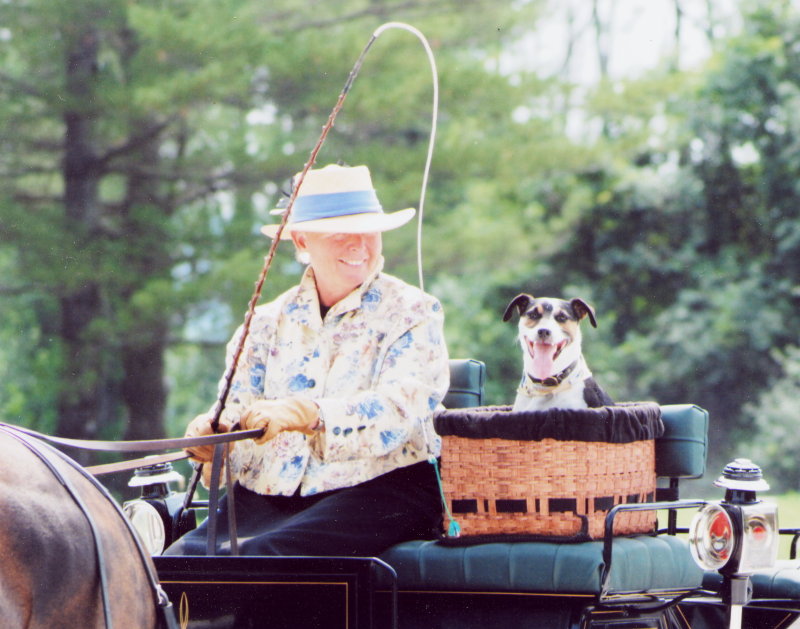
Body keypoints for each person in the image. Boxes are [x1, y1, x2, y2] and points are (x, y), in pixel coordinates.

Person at [164, 163, 450, 557]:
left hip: (382, 487)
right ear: (301, 241)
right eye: (339, 233)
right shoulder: (264, 322)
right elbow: (236, 409)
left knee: (266, 556)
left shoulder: (414, 311)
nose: (359, 245)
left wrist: (311, 414)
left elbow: (400, 410)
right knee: (177, 563)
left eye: (368, 230)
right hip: (270, 494)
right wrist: (217, 437)